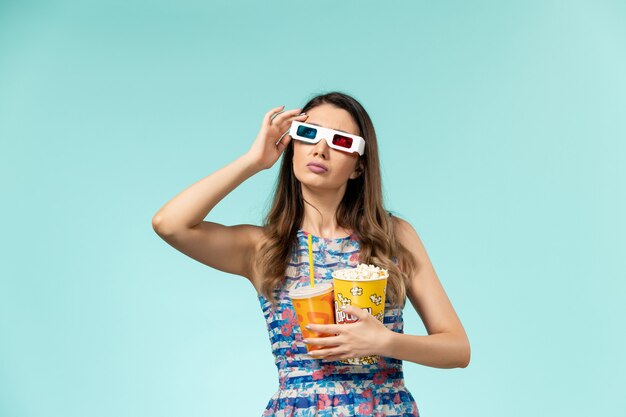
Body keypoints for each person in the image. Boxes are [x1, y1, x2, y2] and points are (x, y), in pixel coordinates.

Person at [152, 91, 470, 416]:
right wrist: (254, 161)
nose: (321, 149)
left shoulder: (394, 236)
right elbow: (169, 224)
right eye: (308, 133)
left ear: (359, 166)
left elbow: (457, 348)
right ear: (292, 145)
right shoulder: (264, 248)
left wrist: (384, 341)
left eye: (341, 141)